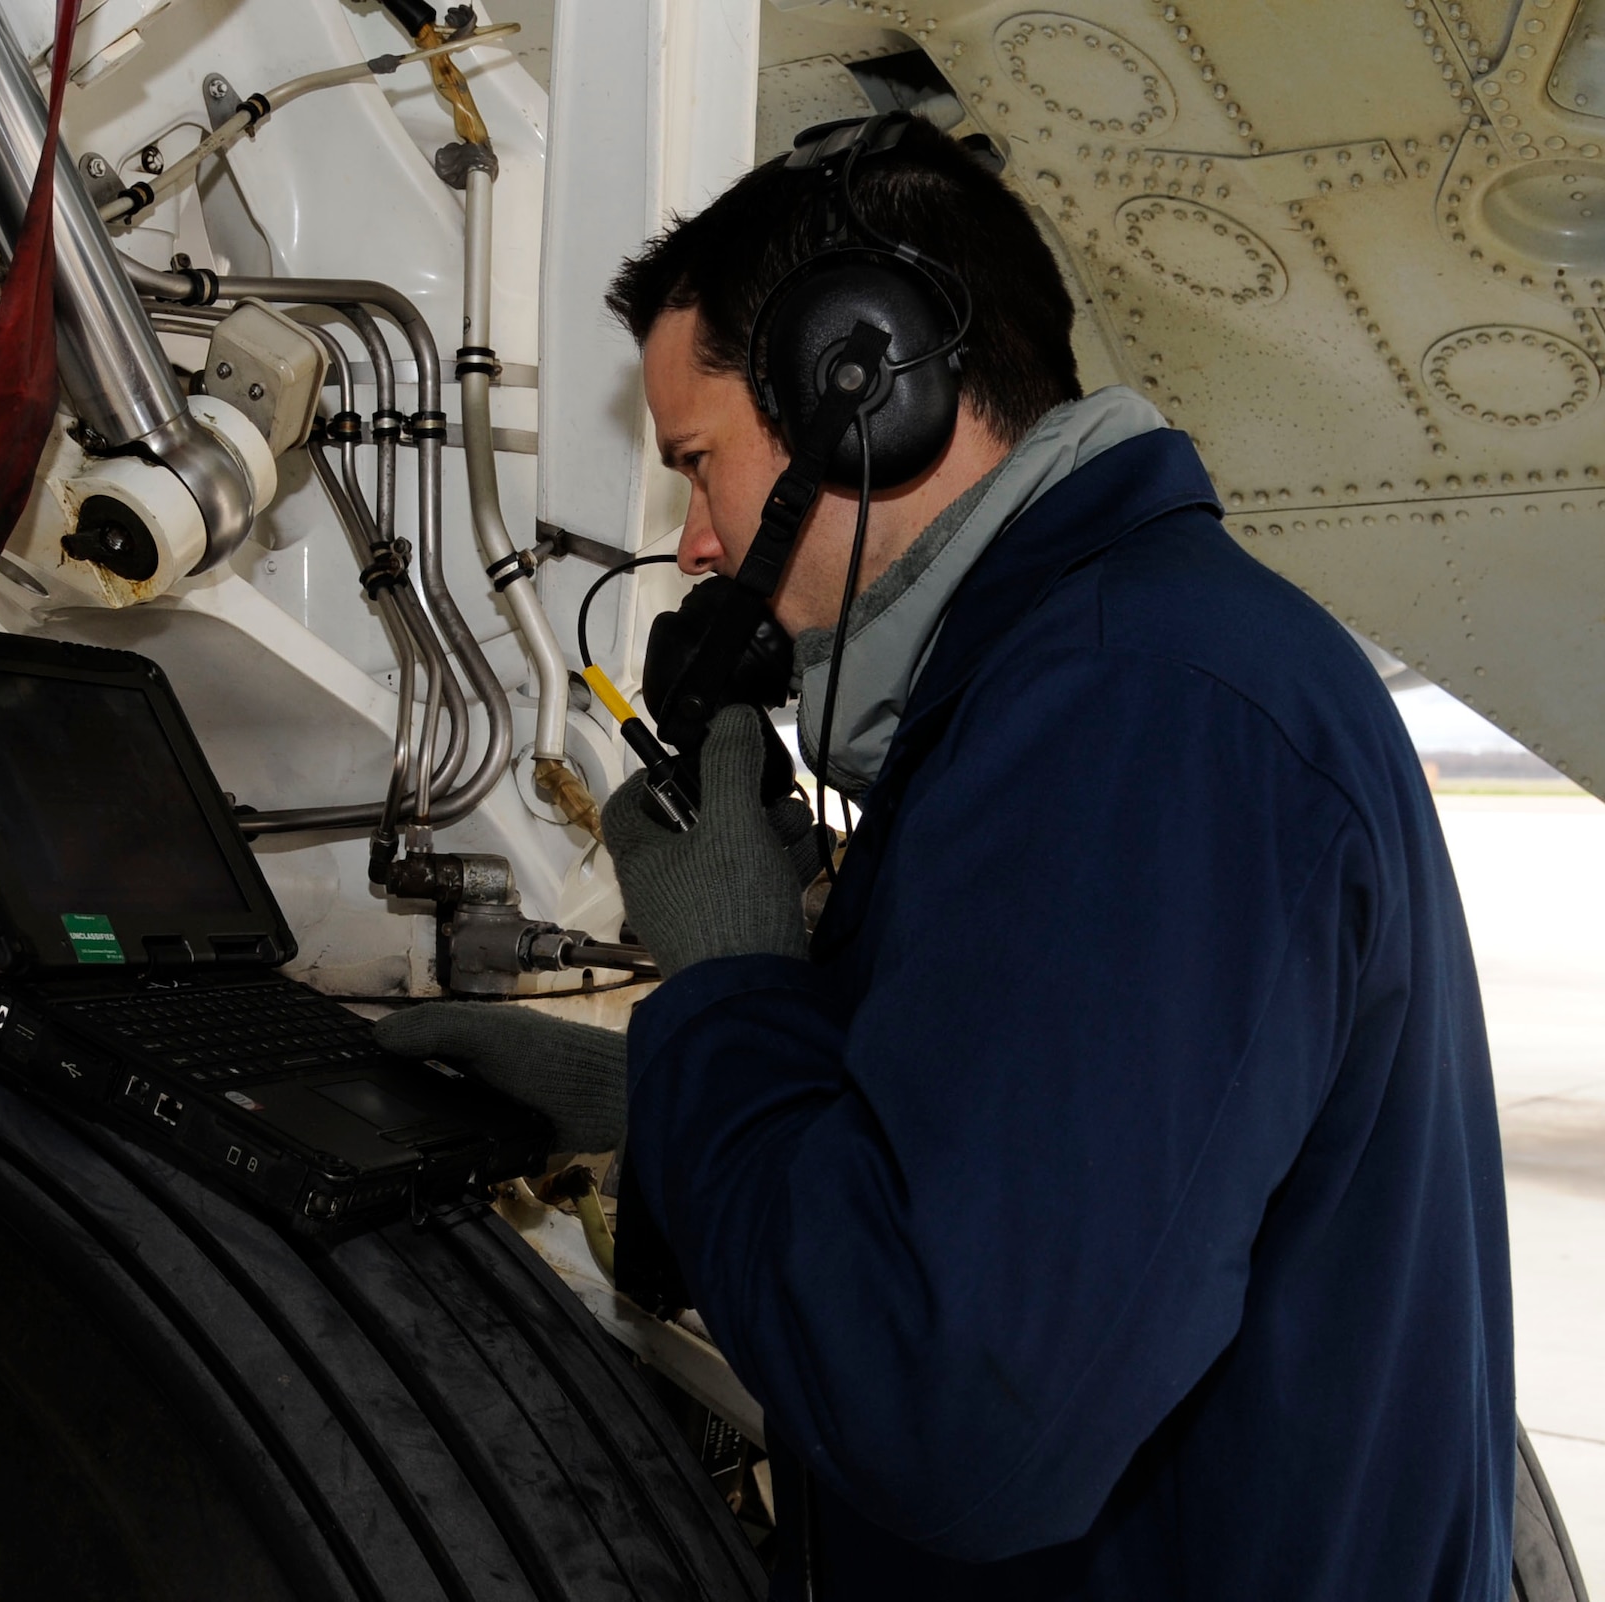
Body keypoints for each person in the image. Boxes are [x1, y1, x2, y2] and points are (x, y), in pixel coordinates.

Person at [376, 115, 1514, 1600]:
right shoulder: (1090, 678)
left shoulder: (1133, 720)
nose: (700, 547)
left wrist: (727, 979)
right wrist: (652, 1100)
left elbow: (958, 1411)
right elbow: (997, 1151)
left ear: (867, 391)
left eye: (699, 465)